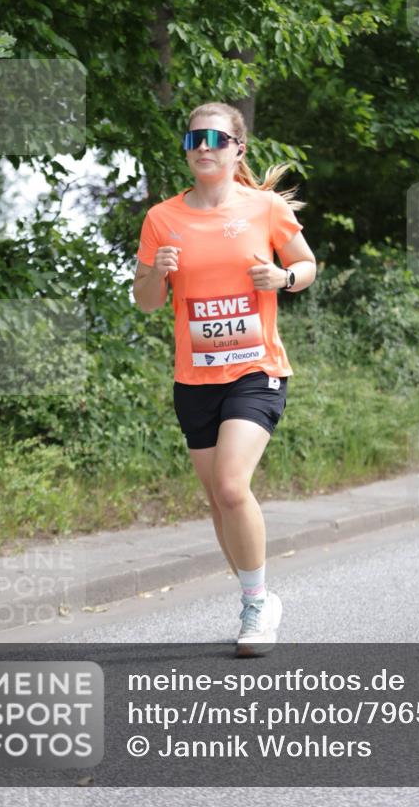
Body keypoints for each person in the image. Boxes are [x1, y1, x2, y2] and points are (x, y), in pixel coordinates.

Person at [133, 101, 317, 656]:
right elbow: (146, 304)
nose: (204, 147)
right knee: (218, 499)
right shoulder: (162, 219)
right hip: (195, 378)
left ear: (238, 147)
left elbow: (307, 265)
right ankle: (252, 592)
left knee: (233, 485)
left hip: (257, 370)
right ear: (187, 151)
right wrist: (153, 271)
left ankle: (258, 606)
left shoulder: (263, 209)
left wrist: (283, 276)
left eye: (216, 138)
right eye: (195, 140)